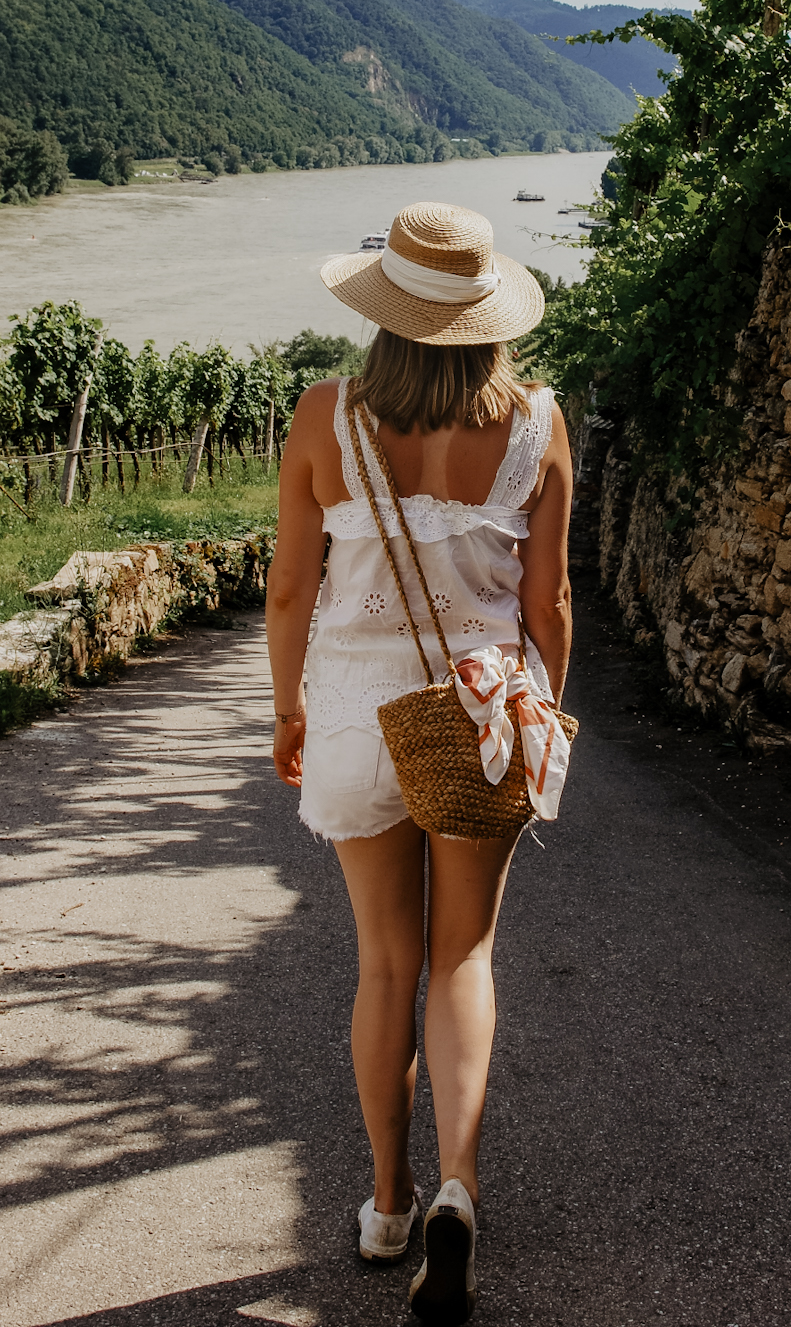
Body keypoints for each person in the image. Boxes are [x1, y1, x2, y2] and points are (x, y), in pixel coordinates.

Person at [267, 201, 574, 1325]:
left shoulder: (323, 414)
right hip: (481, 712)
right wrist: (544, 709)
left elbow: (293, 587)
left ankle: (388, 1203)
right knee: (463, 957)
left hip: (353, 709)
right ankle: (459, 1183)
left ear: (384, 313)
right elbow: (547, 600)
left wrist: (285, 708)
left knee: (384, 960)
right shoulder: (538, 419)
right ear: (485, 313)